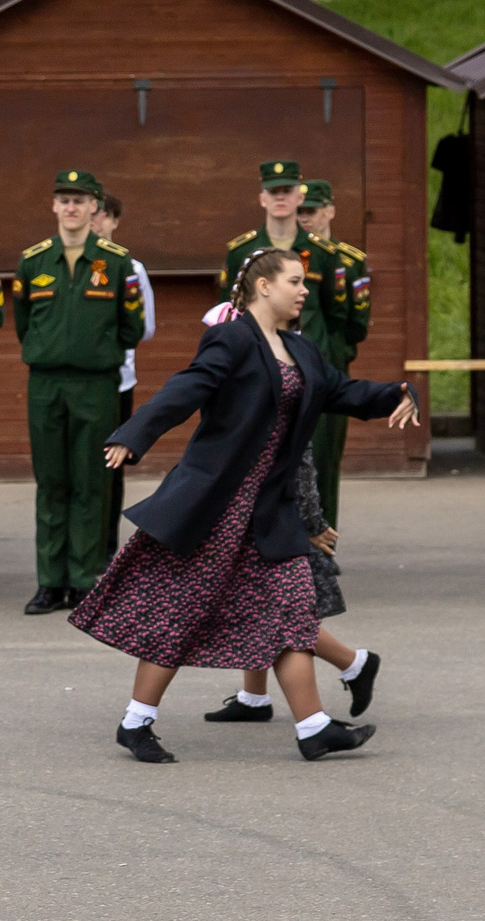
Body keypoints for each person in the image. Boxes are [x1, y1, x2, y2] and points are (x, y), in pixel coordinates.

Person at [73, 248, 421, 763]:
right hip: (215, 509)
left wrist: (397, 393)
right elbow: (187, 388)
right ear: (263, 287)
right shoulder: (232, 338)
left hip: (268, 513)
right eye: (296, 282)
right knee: (180, 613)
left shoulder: (301, 349)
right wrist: (135, 433)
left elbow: (342, 390)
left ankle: (314, 727)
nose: (305, 291)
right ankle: (135, 722)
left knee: (291, 615)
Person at [14, 170, 145, 615]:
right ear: (53, 207)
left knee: (92, 481)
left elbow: (131, 326)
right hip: (46, 383)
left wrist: (95, 352)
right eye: (63, 200)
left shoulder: (117, 262)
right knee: (52, 481)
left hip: (95, 384)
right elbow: (23, 323)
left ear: (95, 208)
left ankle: (86, 579)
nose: (71, 208)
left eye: (80, 201)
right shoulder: (33, 262)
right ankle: (50, 581)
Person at [206, 443, 382, 726]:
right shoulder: (252, 400)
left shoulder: (281, 401)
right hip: (250, 513)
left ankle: (353, 663)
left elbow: (301, 465)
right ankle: (254, 697)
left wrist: (311, 522)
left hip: (273, 520)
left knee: (276, 612)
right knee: (253, 604)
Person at [222, 162, 355, 523]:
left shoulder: (324, 254)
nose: (280, 198)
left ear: (299, 197)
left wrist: (328, 359)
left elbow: (340, 317)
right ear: (262, 198)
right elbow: (228, 312)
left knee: (321, 462)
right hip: (259, 374)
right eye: (273, 192)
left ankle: (321, 548)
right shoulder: (242, 252)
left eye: (287, 191)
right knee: (259, 462)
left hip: (311, 373)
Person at [295, 178, 373, 527]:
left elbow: (356, 321)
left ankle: (324, 541)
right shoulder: (287, 256)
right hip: (290, 369)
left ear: (330, 211)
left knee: (325, 455)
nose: (304, 219)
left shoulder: (349, 260)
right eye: (300, 212)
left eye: (311, 212)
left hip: (330, 367)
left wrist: (336, 352)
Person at [93, 190, 156, 560]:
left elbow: (145, 327)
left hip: (118, 379)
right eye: (93, 213)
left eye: (104, 214)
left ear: (115, 221)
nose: (95, 220)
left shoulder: (131, 269)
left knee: (109, 467)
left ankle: (103, 546)